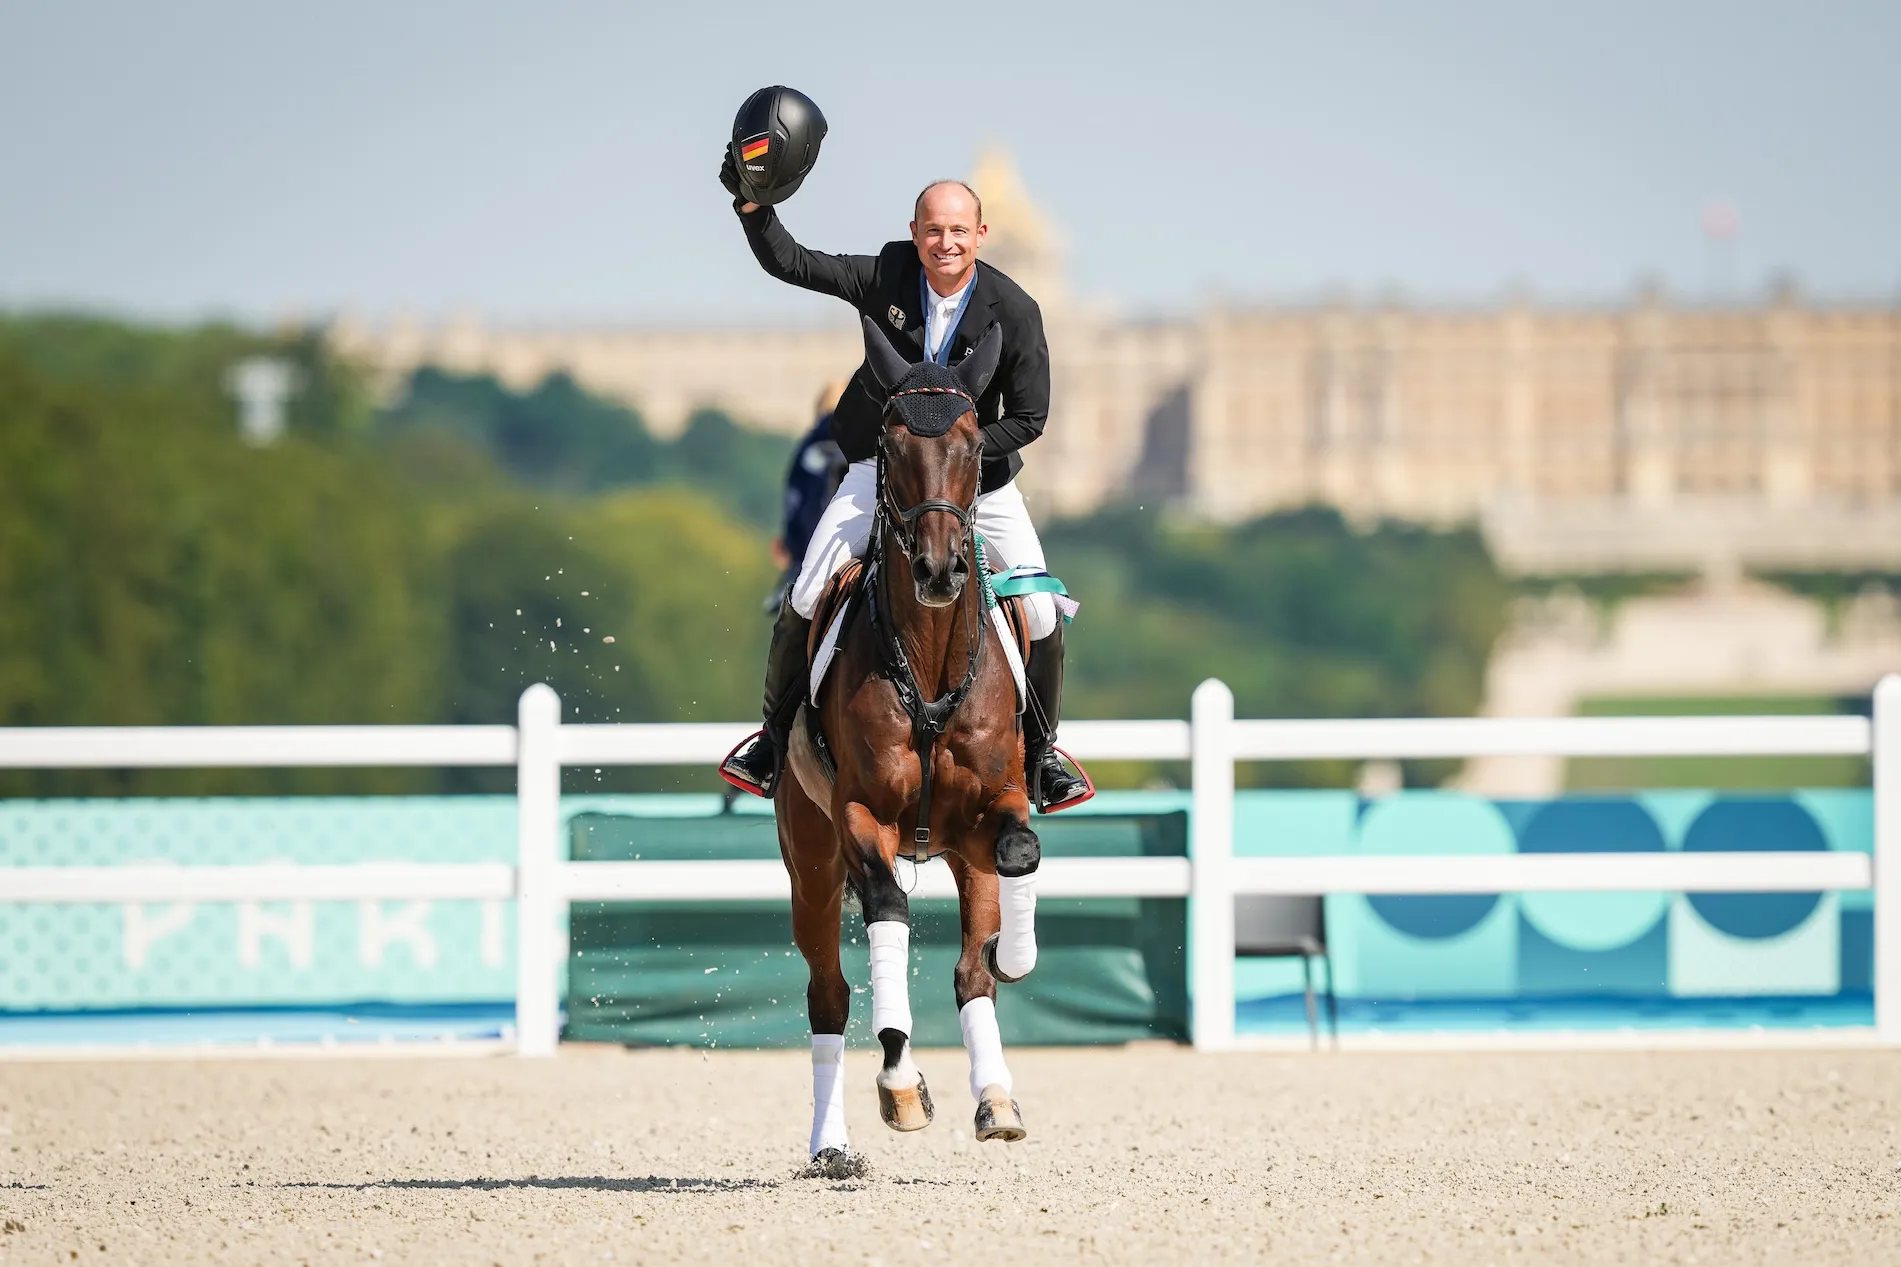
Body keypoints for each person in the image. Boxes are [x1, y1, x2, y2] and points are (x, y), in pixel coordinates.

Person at [716, 157, 1088, 812]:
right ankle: (771, 741)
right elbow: (796, 263)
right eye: (933, 230)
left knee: (1038, 608)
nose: (945, 243)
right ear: (915, 232)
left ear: (980, 234)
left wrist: (955, 459)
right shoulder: (887, 274)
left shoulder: (1017, 309)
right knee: (805, 592)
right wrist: (754, 209)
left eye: (958, 231)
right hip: (878, 470)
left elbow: (1030, 418)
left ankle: (1043, 754)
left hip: (980, 485)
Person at [765, 380, 850, 614]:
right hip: (865, 546)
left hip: (810, 552)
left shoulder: (810, 445)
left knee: (791, 611)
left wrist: (791, 545)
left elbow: (795, 499)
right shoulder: (870, 438)